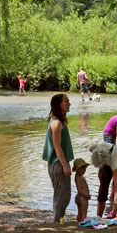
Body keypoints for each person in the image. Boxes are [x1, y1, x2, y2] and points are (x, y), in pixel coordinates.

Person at [42, 94, 74, 223]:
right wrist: (65, 165)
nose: (69, 104)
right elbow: (57, 147)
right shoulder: (55, 123)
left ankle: (59, 221)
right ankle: (56, 223)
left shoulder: (57, 121)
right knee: (61, 196)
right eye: (66, 101)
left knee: (63, 196)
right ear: (59, 105)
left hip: (59, 163)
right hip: (58, 164)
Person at [89, 142, 117, 217]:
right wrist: (100, 172)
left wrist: (115, 202)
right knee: (102, 190)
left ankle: (116, 215)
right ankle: (99, 217)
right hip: (105, 157)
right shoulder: (94, 149)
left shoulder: (113, 158)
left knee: (114, 194)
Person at [72, 158, 91, 223]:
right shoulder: (78, 177)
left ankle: (79, 220)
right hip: (82, 197)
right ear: (77, 169)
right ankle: (83, 220)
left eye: (85, 169)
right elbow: (79, 189)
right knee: (84, 212)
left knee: (80, 212)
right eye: (82, 169)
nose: (84, 170)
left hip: (79, 197)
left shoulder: (79, 176)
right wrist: (86, 195)